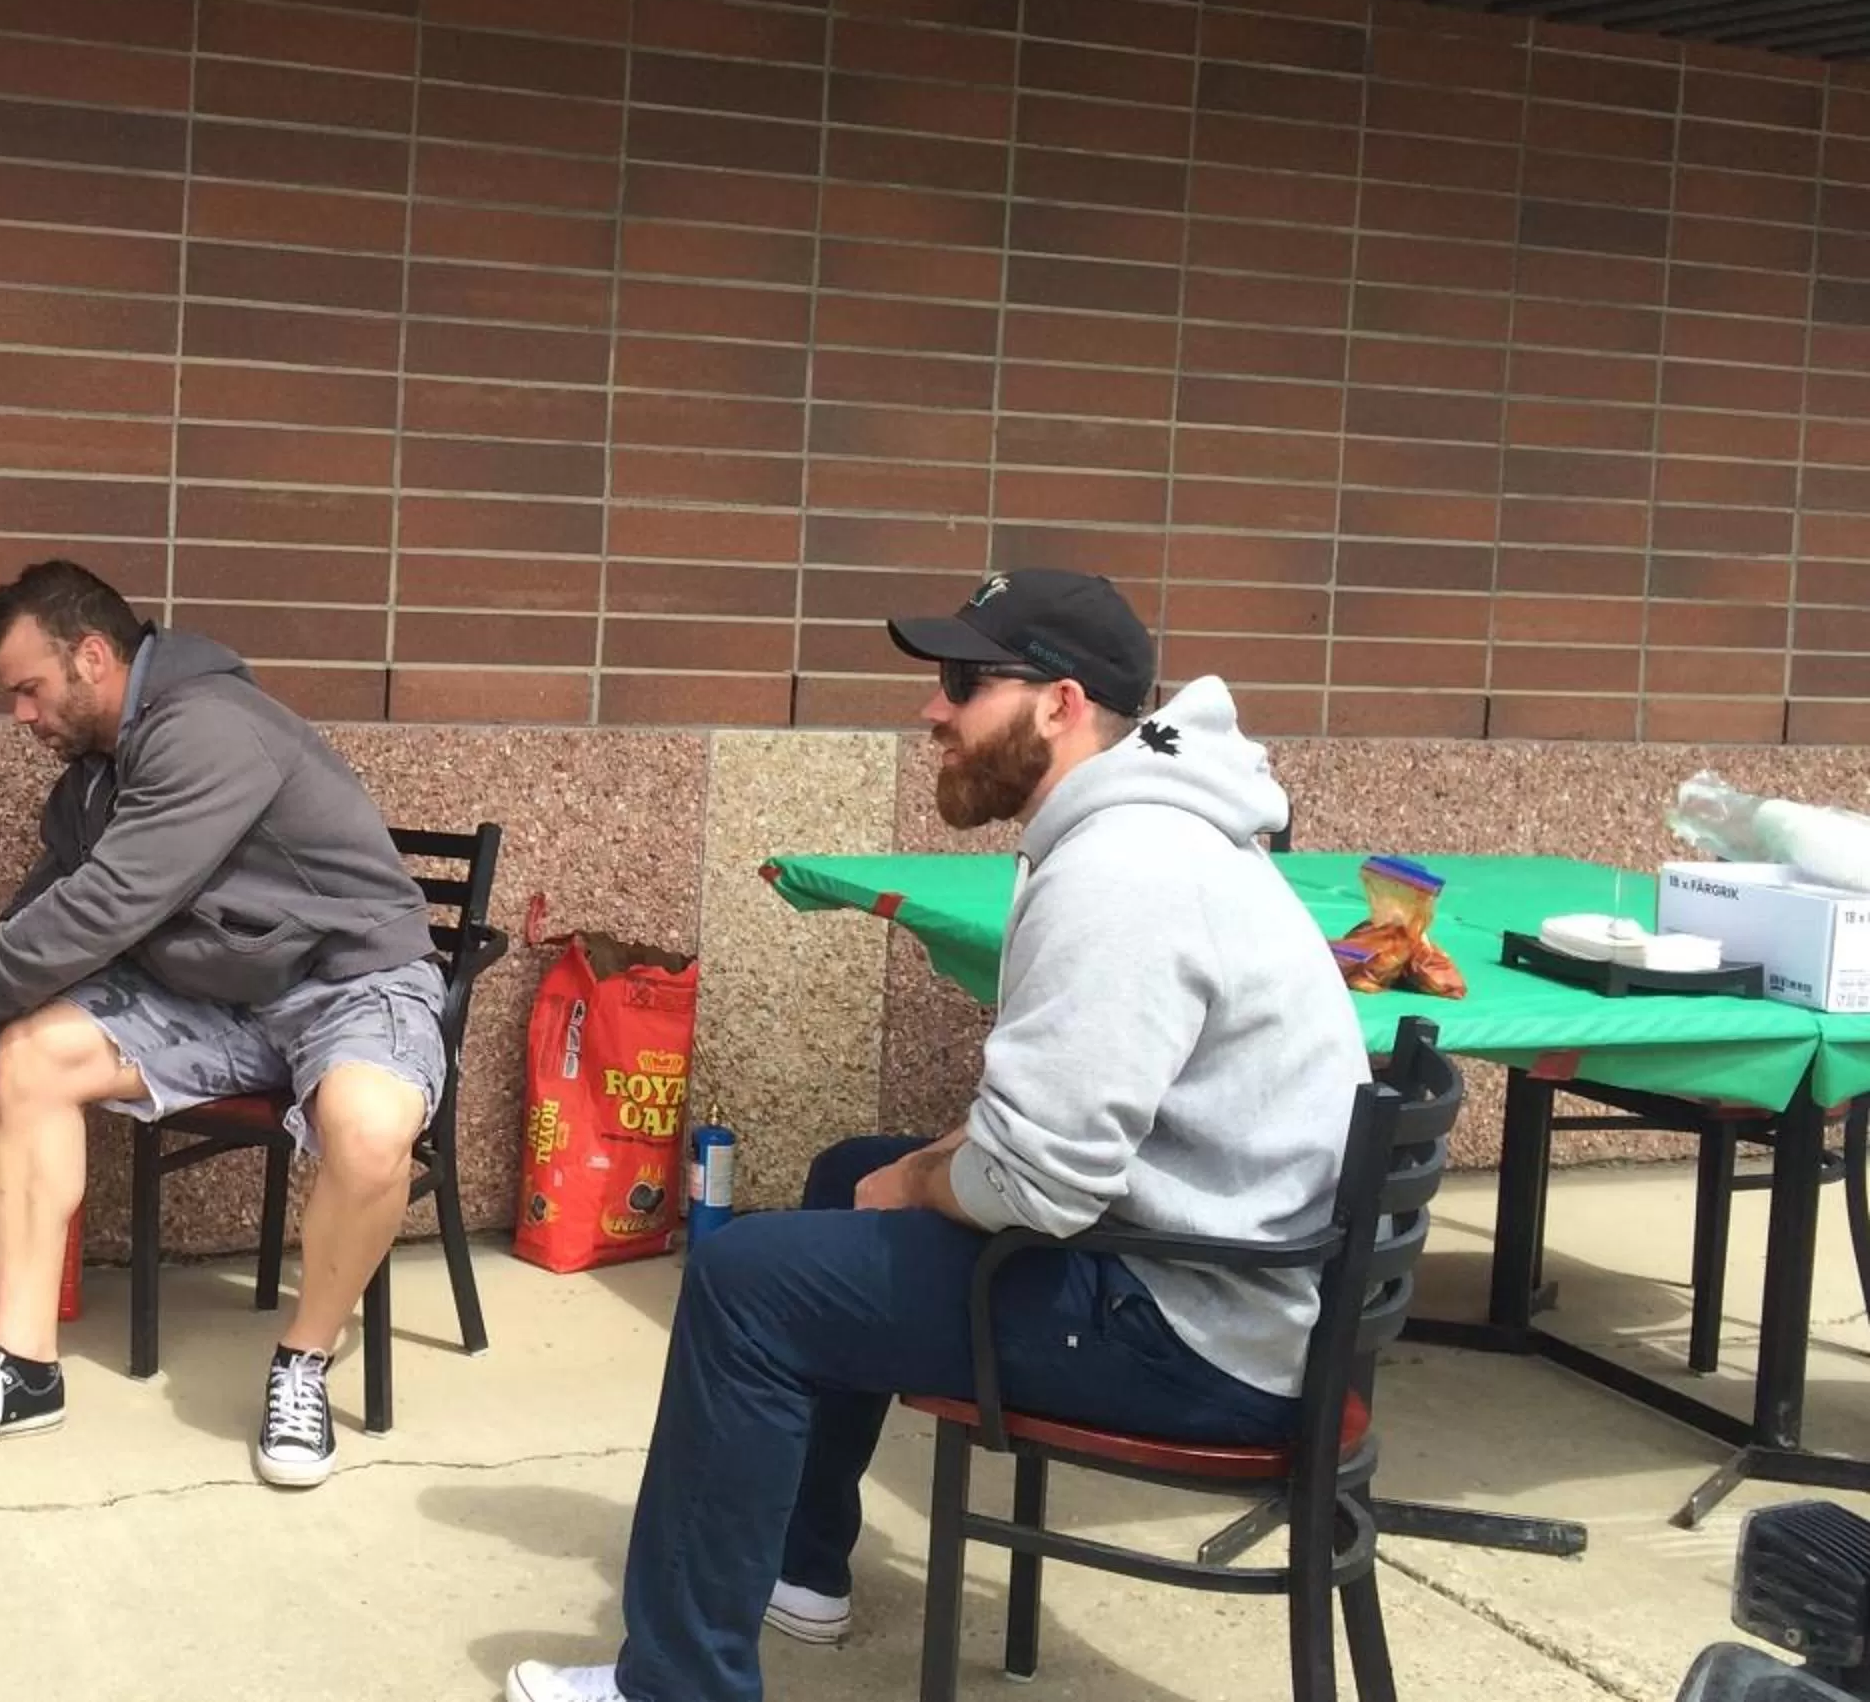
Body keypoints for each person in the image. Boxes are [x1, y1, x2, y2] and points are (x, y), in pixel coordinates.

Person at [507, 568, 1367, 1702]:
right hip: (1224, 1289)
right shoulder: (1162, 834)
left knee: (743, 1282)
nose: (932, 710)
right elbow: (1062, 1129)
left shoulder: (1125, 868)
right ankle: (801, 1566)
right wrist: (906, 1174)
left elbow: (1040, 1178)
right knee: (845, 1171)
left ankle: (674, 1686)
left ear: (1061, 702)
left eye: (965, 680)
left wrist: (921, 1182)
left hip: (1196, 1336)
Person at [0, 559, 446, 1490]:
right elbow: (42, 928)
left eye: (29, 689)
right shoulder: (92, 783)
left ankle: (302, 1363)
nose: (21, 714)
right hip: (224, 1005)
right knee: (36, 1055)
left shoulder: (209, 728)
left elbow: (110, 904)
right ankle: (21, 1370)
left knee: (370, 1129)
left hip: (350, 987)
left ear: (91, 656)